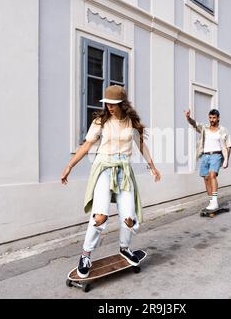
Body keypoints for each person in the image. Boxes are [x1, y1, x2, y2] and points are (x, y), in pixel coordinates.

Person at [61, 85, 161, 279]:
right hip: (104, 169)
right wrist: (69, 166)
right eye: (107, 103)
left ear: (123, 104)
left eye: (113, 104)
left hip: (124, 170)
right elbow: (87, 144)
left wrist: (152, 166)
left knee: (129, 219)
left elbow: (141, 144)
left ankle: (125, 248)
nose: (109, 107)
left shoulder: (131, 121)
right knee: (100, 216)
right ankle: (85, 255)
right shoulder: (101, 121)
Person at [185, 108, 231, 211]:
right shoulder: (204, 128)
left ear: (218, 118)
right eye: (210, 118)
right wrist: (188, 118)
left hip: (217, 155)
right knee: (206, 178)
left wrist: (226, 160)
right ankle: (212, 200)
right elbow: (194, 124)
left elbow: (228, 146)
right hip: (205, 156)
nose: (212, 120)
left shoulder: (223, 130)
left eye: (214, 118)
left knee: (212, 175)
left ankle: (214, 201)